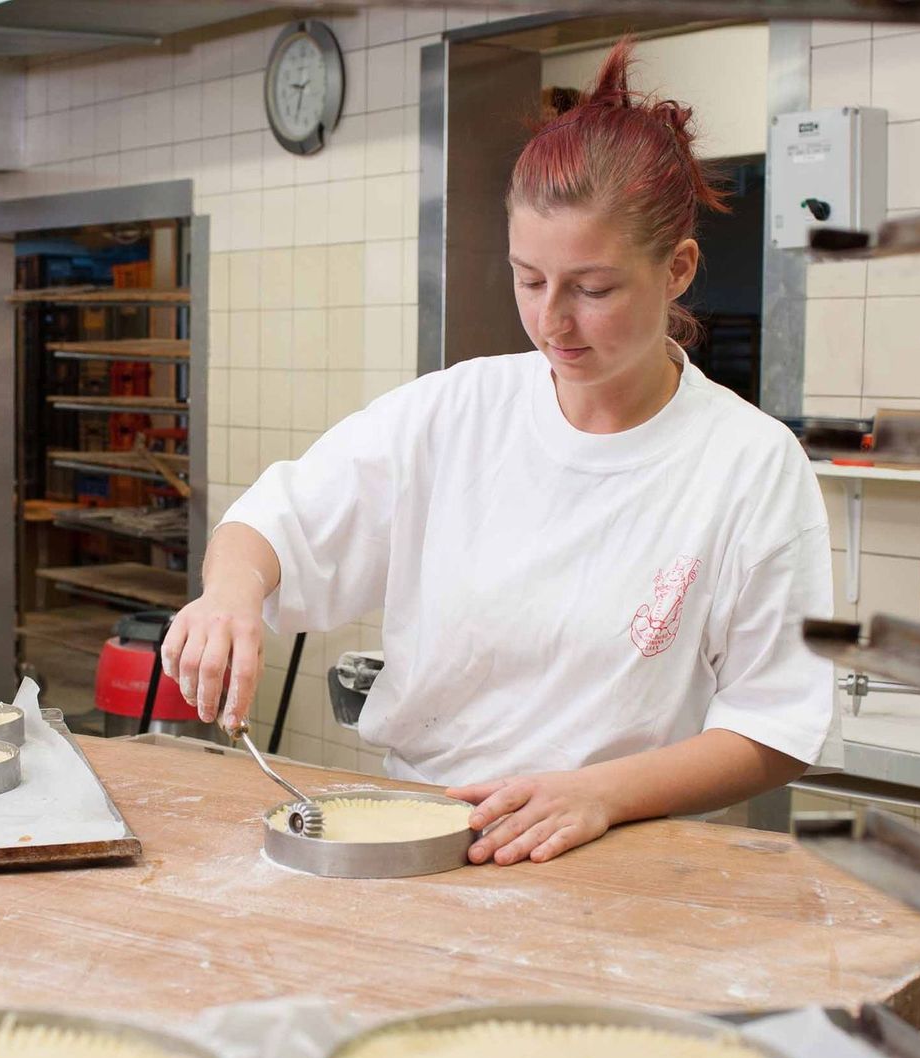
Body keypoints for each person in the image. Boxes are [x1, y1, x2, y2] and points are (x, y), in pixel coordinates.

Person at [164, 41, 837, 867]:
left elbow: (777, 726)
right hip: (425, 838)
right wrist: (227, 600)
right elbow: (271, 526)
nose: (553, 320)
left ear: (678, 270)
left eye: (592, 289)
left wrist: (601, 793)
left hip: (622, 859)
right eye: (528, 279)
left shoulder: (747, 463)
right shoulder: (455, 412)